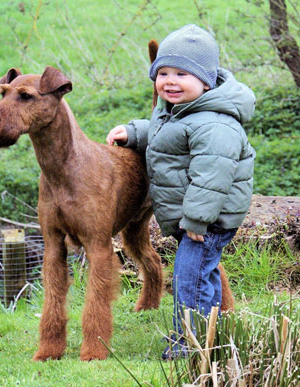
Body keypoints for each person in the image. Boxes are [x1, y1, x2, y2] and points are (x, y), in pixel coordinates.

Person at [106, 24, 256, 359]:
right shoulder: (182, 112)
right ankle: (216, 331)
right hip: (196, 216)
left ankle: (190, 342)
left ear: (206, 81)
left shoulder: (215, 123)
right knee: (200, 272)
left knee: (189, 277)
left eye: (182, 74)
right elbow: (167, 136)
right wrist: (133, 133)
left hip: (210, 217)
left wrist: (197, 221)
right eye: (164, 73)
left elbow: (212, 177)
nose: (170, 81)